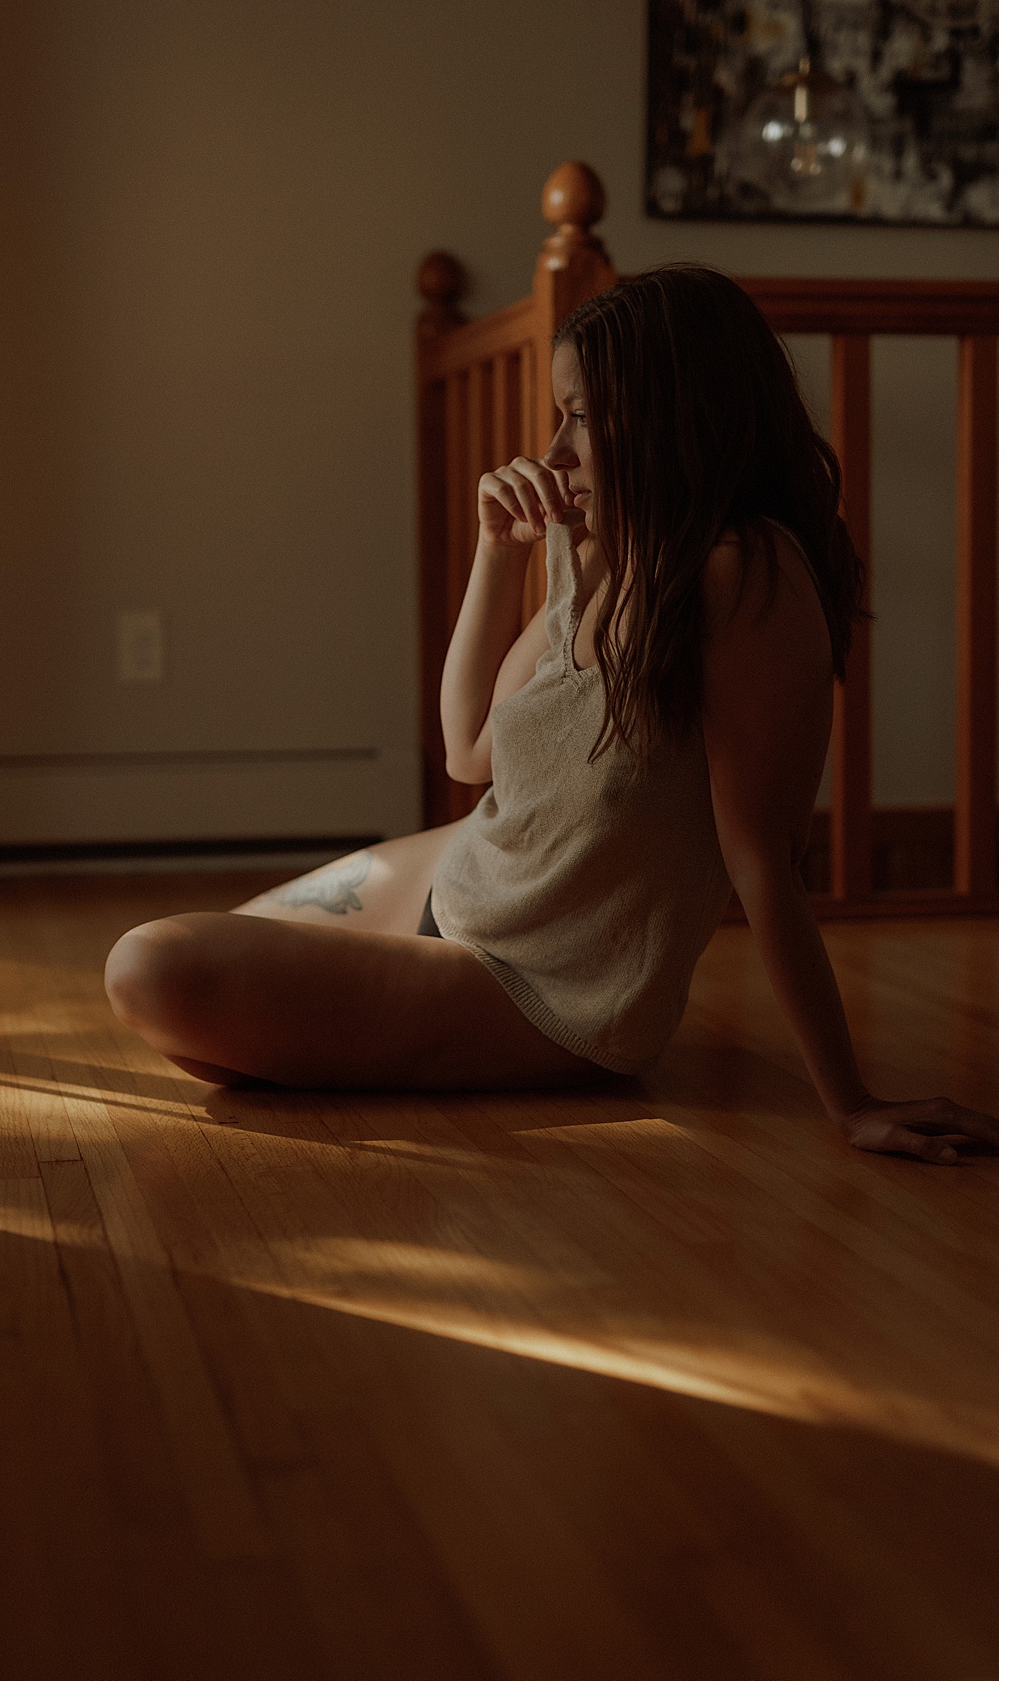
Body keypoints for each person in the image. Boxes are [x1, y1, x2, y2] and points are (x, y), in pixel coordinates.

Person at [105, 265, 996, 1165]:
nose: (556, 449)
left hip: (534, 985)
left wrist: (851, 1103)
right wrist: (498, 553)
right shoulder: (600, 547)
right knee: (200, 983)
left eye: (580, 414)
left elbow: (763, 858)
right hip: (465, 875)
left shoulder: (742, 579)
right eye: (559, 414)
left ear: (669, 415)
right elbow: (468, 754)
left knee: (150, 968)